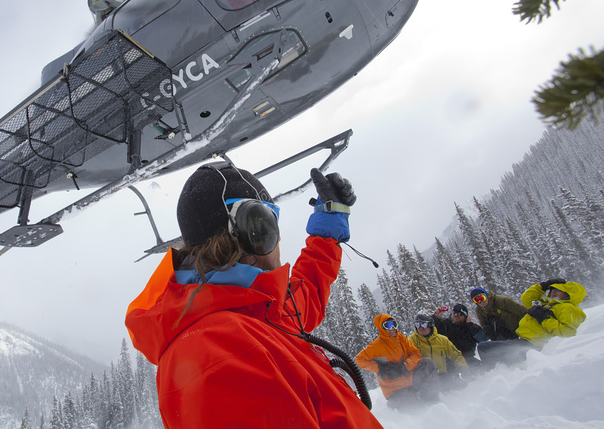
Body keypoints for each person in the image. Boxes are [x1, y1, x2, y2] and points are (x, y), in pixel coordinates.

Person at [125, 164, 382, 428]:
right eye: (268, 226)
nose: (279, 239)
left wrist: (328, 230)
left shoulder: (255, 313)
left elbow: (303, 298)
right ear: (249, 235)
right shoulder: (220, 352)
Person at [356, 314, 440, 407]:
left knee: (428, 363)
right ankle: (396, 403)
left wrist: (406, 365)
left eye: (394, 324)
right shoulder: (376, 346)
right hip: (394, 389)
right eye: (388, 325)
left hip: (409, 380)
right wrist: (381, 368)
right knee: (416, 409)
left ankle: (430, 398)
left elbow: (415, 353)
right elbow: (359, 359)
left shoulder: (401, 339)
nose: (392, 328)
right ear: (381, 328)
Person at [516, 278, 587, 347]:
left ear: (568, 294)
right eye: (552, 289)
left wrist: (543, 318)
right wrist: (543, 286)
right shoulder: (548, 304)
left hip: (534, 344)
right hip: (523, 338)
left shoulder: (568, 308)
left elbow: (568, 333)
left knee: (505, 351)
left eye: (558, 289)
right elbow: (527, 300)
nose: (553, 291)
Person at [408, 313, 468, 388]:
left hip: (441, 375)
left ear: (430, 325)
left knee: (462, 387)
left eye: (423, 325)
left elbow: (456, 355)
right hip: (423, 379)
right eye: (417, 325)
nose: (420, 328)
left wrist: (463, 367)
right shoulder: (412, 340)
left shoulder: (442, 340)